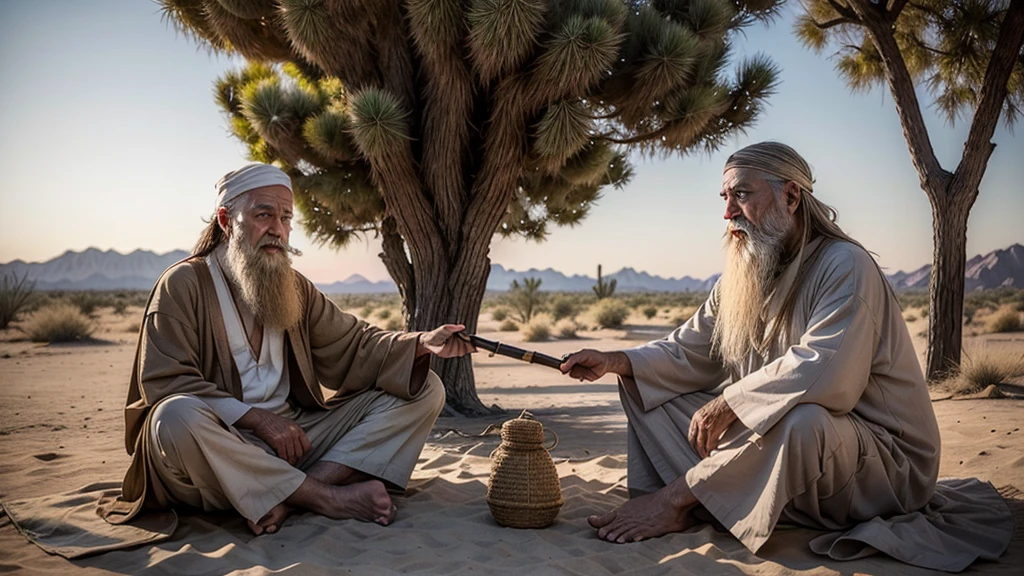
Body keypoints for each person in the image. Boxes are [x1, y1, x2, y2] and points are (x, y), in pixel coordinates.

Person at [559, 142, 1011, 569]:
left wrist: (732, 402)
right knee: (645, 388)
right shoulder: (744, 274)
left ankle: (679, 501)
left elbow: (826, 373)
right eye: (724, 197)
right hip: (795, 450)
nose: (728, 212)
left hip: (882, 462)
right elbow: (688, 349)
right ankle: (733, 496)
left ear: (791, 196)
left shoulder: (844, 265)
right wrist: (616, 360)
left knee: (804, 420)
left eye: (741, 194)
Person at [99, 163, 474, 536]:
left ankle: (293, 495)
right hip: (220, 450)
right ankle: (325, 497)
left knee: (424, 388)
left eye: (285, 218)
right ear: (227, 221)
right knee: (173, 417)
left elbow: (355, 344)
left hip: (294, 444)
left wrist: (420, 343)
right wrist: (258, 420)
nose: (278, 230)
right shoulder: (182, 284)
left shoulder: (294, 287)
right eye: (263, 215)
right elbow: (167, 383)